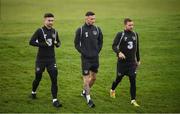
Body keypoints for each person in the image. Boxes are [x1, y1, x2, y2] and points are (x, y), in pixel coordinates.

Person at [29, 13, 62, 108]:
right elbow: (31, 42)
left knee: (54, 79)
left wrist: (57, 44)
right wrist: (43, 44)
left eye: (52, 20)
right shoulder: (39, 31)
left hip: (51, 60)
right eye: (49, 20)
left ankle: (55, 100)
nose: (51, 22)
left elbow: (58, 43)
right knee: (38, 78)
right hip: (41, 60)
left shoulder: (55, 32)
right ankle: (33, 92)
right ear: (44, 20)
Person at [74, 11, 103, 108]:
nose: (93, 20)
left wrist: (97, 51)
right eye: (91, 19)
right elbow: (76, 44)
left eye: (94, 19)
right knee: (86, 81)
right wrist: (83, 52)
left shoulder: (97, 29)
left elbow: (100, 41)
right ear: (86, 19)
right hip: (85, 59)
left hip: (95, 58)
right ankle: (88, 99)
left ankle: (84, 92)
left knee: (93, 78)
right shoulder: (81, 30)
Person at [110, 18, 140, 107]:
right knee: (118, 78)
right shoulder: (121, 34)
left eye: (132, 25)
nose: (131, 27)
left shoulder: (135, 34)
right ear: (125, 25)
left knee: (133, 80)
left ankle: (133, 100)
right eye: (129, 25)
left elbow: (136, 48)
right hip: (122, 63)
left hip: (132, 63)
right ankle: (112, 90)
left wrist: (138, 60)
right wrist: (119, 52)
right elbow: (114, 46)